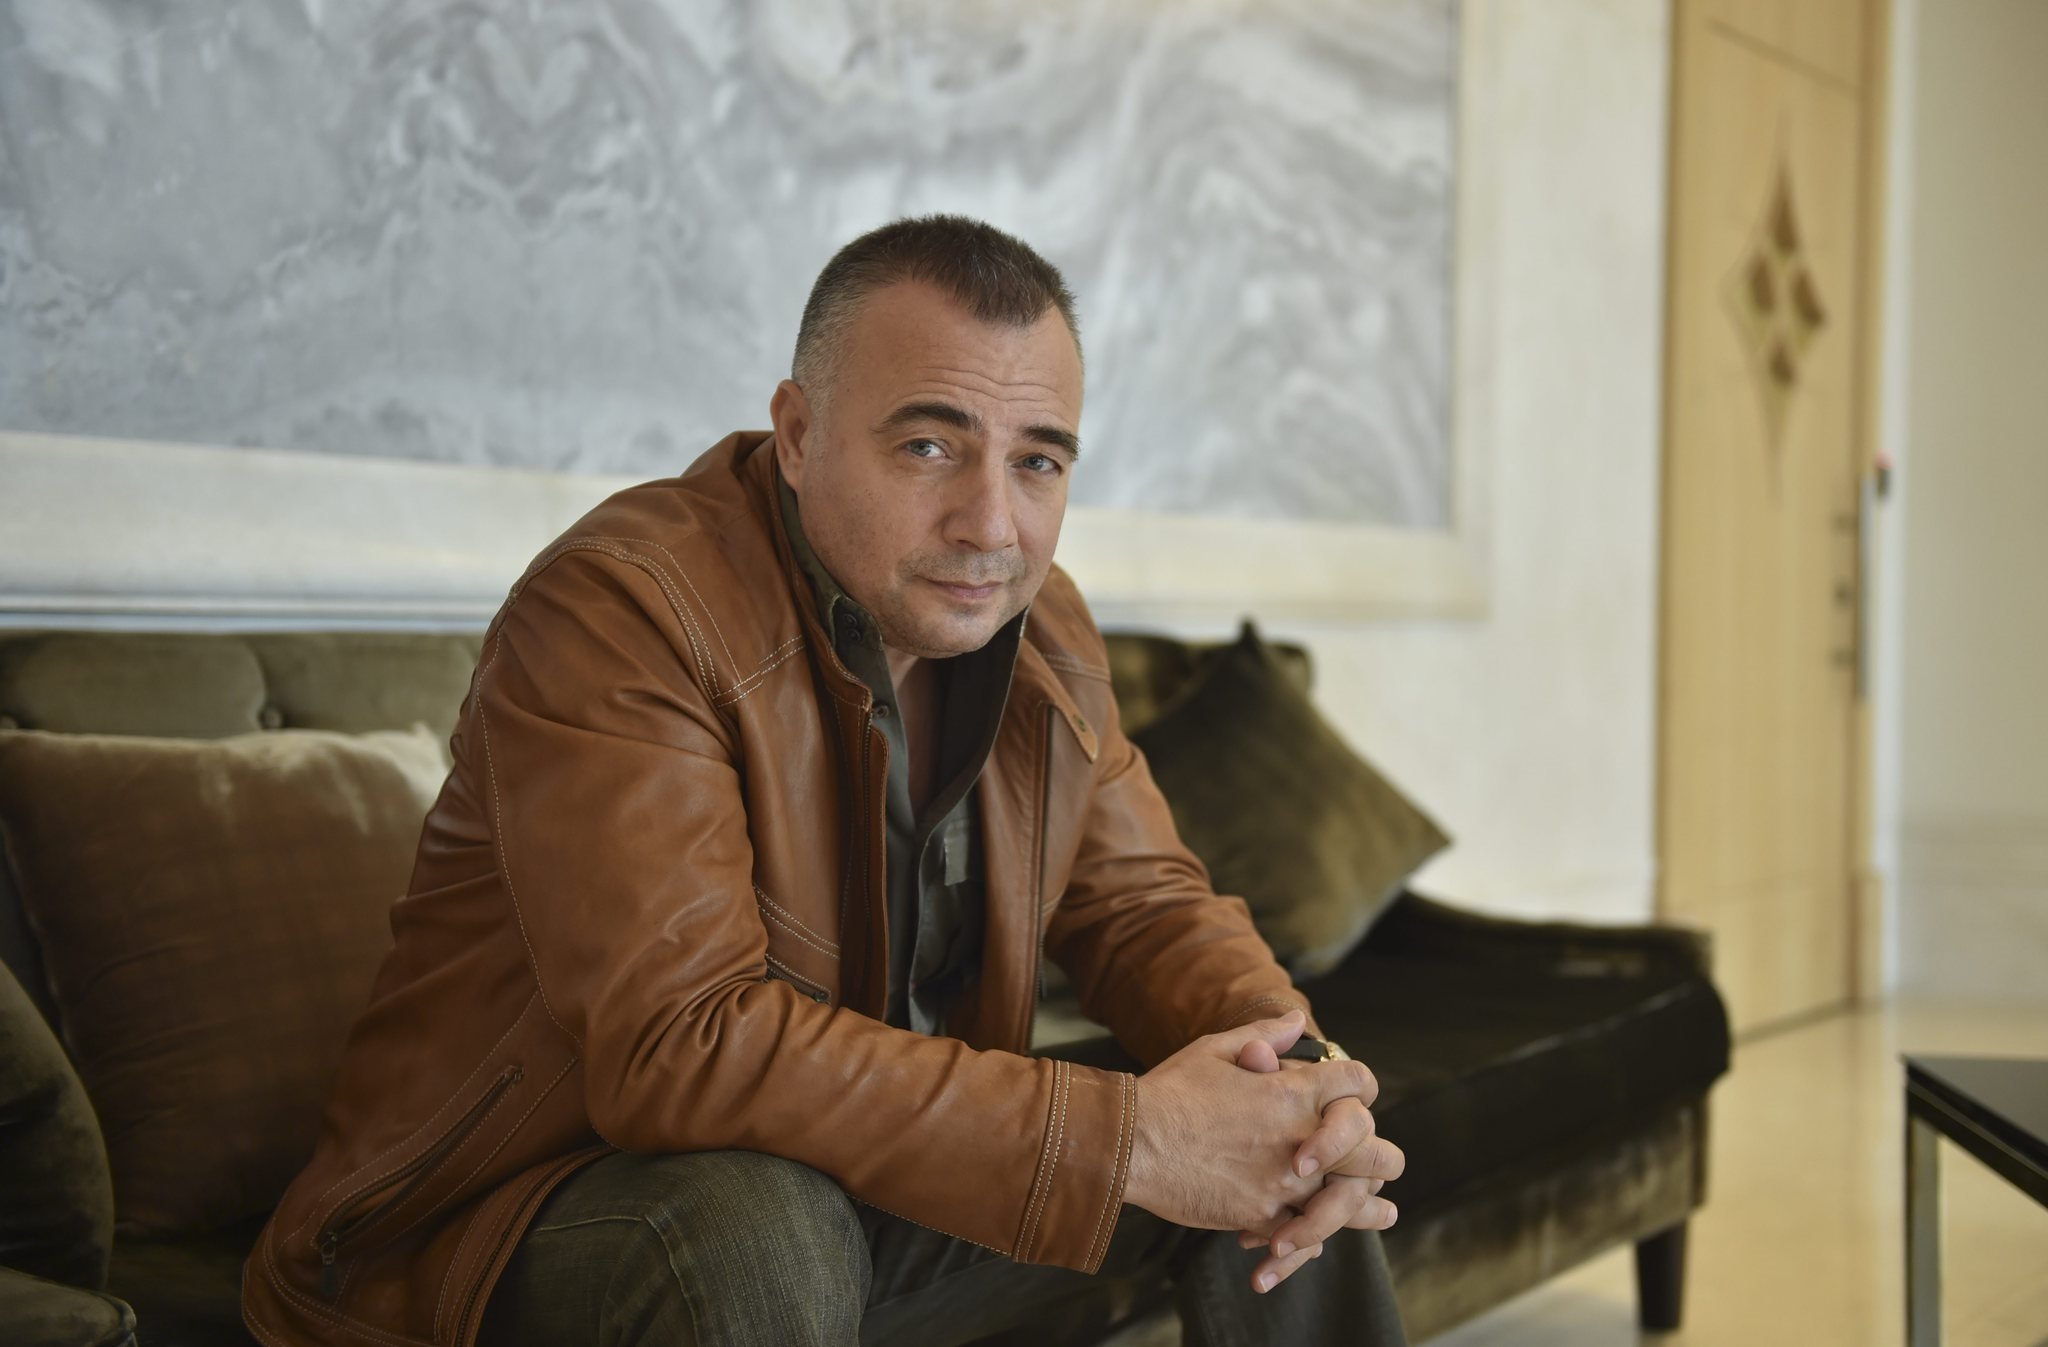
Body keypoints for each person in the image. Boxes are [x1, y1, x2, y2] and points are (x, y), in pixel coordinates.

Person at [243, 215, 1408, 1347]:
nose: (990, 523)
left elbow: (1146, 907)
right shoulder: (624, 610)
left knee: (1261, 1126)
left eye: (1036, 461)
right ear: (797, 435)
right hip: (494, 1223)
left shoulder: (1041, 630)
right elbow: (680, 1044)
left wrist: (1303, 1081)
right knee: (755, 1223)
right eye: (928, 446)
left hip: (844, 1174)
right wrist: (1126, 1141)